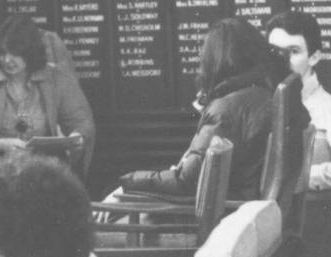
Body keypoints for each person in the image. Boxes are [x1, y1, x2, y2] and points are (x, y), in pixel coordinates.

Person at [117, 18, 284, 200]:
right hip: (242, 211)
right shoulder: (262, 96)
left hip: (213, 216)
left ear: (215, 60)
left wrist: (128, 184)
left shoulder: (226, 111)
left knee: (112, 217)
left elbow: (186, 181)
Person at [0, 15, 95, 175]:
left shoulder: (57, 78)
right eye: (2, 53)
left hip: (48, 174)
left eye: (14, 53)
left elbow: (83, 124)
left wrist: (77, 137)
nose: (6, 60)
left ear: (30, 52)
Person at [266, 10, 331, 190]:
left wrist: (297, 177)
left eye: (293, 51)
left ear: (314, 57)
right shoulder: (256, 105)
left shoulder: (328, 109)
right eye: (274, 52)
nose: (281, 60)